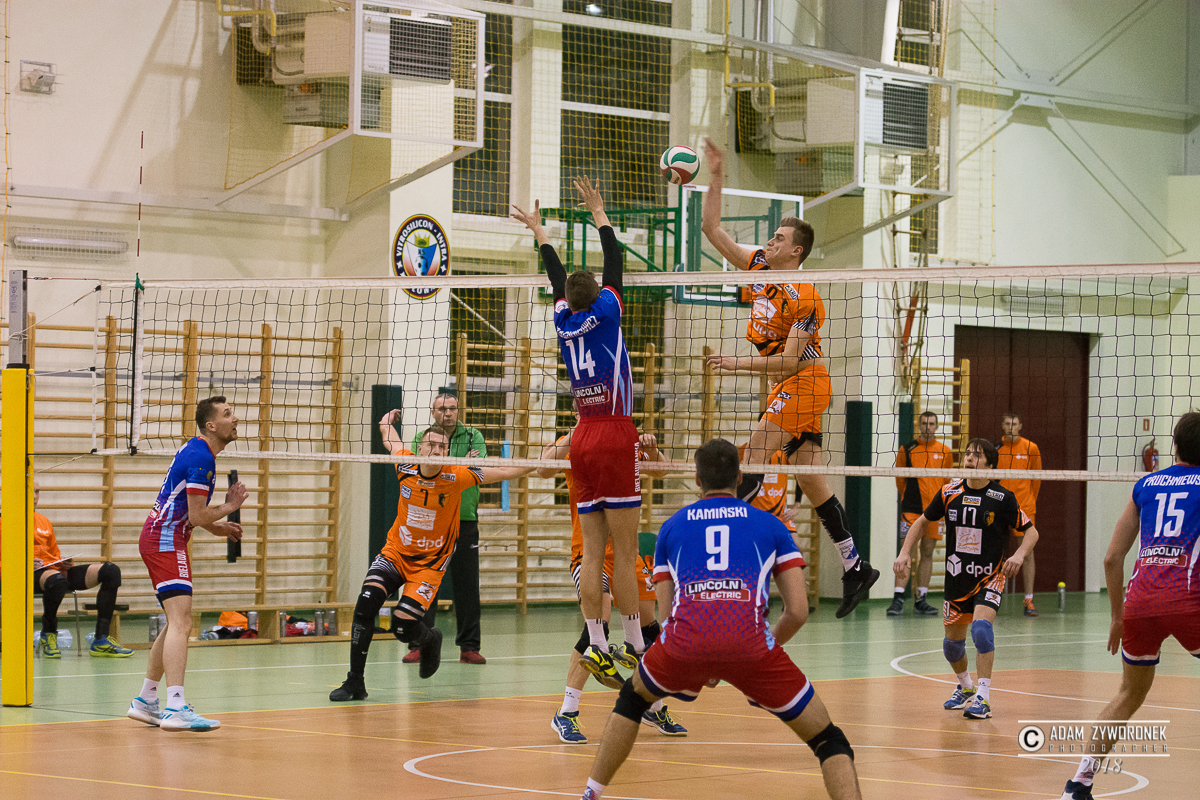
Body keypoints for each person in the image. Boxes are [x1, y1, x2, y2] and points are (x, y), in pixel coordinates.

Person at [578, 439, 861, 800]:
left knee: (631, 701)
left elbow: (667, 614)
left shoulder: (672, 528)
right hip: (751, 647)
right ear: (740, 477)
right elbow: (797, 611)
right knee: (829, 740)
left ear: (697, 479)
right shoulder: (772, 526)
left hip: (683, 645)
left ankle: (591, 793)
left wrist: (702, 659)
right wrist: (760, 651)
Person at [698, 137, 877, 619]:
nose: (770, 242)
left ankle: (733, 556)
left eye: (779, 238)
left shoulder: (805, 295)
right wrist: (716, 175)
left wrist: (737, 364)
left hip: (804, 382)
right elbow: (712, 229)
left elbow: (793, 362)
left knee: (754, 454)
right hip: (790, 386)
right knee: (813, 482)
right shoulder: (759, 266)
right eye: (771, 237)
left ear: (795, 251)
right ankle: (856, 566)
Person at [511, 176, 647, 680]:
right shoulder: (608, 311)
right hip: (614, 431)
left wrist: (540, 233)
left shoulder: (562, 321)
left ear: (568, 300)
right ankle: (634, 642)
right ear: (601, 295)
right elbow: (613, 262)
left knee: (592, 551)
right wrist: (599, 212)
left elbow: (555, 279)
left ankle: (597, 643)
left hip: (581, 436)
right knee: (625, 553)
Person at [329, 412, 535, 701]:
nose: (437, 451)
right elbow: (391, 440)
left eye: (442, 447)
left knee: (402, 626)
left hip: (429, 565)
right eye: (431, 445)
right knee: (365, 605)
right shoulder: (406, 465)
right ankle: (355, 682)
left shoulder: (457, 475)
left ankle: (430, 639)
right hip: (395, 554)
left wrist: (543, 462)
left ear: (448, 453)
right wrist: (385, 423)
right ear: (420, 448)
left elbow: (504, 471)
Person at [1058, 412, 1200, 800]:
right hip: (1188, 600)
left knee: (1128, 694)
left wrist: (1116, 617)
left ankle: (1079, 784)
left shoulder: (1146, 485)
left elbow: (1111, 558)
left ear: (1174, 445)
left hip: (1139, 601)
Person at [539, 429, 686, 744]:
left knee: (649, 634)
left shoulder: (623, 437)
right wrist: (575, 432)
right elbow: (543, 469)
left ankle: (654, 707)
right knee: (596, 633)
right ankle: (566, 712)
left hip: (625, 555)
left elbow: (662, 472)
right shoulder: (577, 441)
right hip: (589, 555)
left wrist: (653, 450)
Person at [893, 438, 1038, 720]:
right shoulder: (949, 492)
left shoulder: (1003, 497)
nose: (970, 458)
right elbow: (921, 522)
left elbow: (1031, 532)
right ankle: (966, 687)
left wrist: (1019, 555)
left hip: (989, 578)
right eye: (968, 453)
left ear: (991, 465)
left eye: (977, 455)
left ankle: (983, 697)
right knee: (951, 647)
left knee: (981, 630)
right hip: (957, 579)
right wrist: (904, 552)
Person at [128, 395, 248, 732]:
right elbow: (195, 515)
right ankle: (176, 707)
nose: (235, 419)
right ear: (211, 425)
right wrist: (229, 507)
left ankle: (146, 700)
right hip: (165, 540)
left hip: (164, 537)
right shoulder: (201, 457)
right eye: (228, 414)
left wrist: (216, 526)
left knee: (174, 623)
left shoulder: (198, 451)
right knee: (182, 623)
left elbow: (186, 508)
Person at [402, 392, 489, 666]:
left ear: (458, 410)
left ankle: (469, 647)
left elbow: (479, 469)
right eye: (442, 409)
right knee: (424, 584)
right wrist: (461, 463)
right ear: (433, 412)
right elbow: (419, 467)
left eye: (452, 408)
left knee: (468, 587)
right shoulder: (421, 437)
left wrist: (447, 464)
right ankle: (419, 643)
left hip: (464, 520)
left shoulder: (474, 436)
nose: (448, 413)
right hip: (432, 522)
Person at [0, 482, 133, 658]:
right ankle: (48, 633)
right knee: (57, 580)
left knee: (110, 571)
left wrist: (63, 563)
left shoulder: (43, 521)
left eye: (37, 491)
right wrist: (21, 564)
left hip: (52, 572)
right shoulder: (4, 521)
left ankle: (101, 639)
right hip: (22, 575)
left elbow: (53, 555)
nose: (34, 496)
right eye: (30, 491)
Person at [888, 411, 953, 616]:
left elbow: (947, 482)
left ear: (937, 426)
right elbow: (900, 481)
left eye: (931, 423)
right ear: (919, 425)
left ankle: (921, 599)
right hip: (912, 509)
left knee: (927, 553)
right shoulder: (907, 449)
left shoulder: (945, 451)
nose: (928, 427)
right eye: (924, 423)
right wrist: (909, 498)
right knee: (906, 551)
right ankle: (898, 598)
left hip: (935, 510)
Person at [997, 412, 1042, 616]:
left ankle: (1028, 599)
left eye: (1014, 424)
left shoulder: (1031, 448)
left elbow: (1037, 479)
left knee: (1027, 552)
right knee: (995, 551)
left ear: (1020, 426)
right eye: (1007, 423)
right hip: (999, 506)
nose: (1011, 427)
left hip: (1024, 506)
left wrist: (1029, 501)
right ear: (1003, 426)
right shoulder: (996, 449)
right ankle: (992, 596)